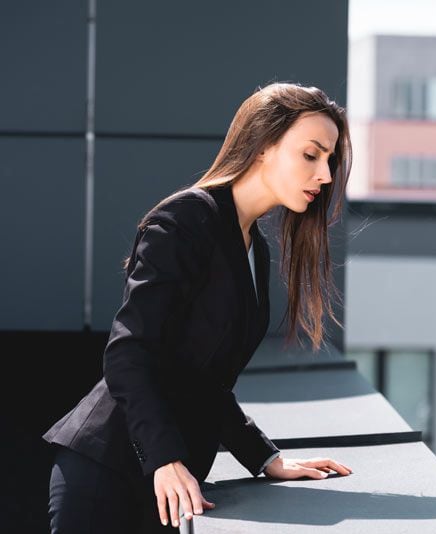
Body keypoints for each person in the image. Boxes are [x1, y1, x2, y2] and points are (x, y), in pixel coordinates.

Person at [43, 81, 354, 533]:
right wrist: (164, 458)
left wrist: (266, 458)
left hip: (171, 482)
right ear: (263, 146)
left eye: (329, 160)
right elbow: (127, 354)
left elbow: (205, 382)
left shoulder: (252, 247)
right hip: (107, 472)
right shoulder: (186, 219)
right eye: (311, 155)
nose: (324, 175)